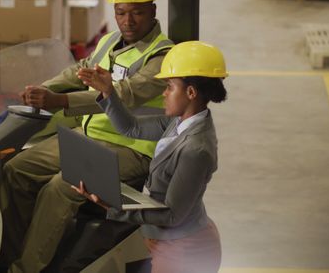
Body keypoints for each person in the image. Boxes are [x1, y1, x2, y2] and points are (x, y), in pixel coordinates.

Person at [0, 0, 174, 273]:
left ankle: (25, 269)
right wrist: (46, 89)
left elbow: (123, 94)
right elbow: (81, 70)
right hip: (90, 138)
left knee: (61, 187)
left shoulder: (162, 57)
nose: (128, 21)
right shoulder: (109, 41)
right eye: (121, 12)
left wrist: (60, 102)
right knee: (15, 170)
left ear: (153, 11)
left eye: (137, 13)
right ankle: (8, 257)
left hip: (132, 149)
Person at [74, 41, 227, 273]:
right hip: (166, 240)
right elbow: (131, 128)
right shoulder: (179, 122)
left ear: (191, 92)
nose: (164, 93)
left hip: (184, 249)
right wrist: (108, 91)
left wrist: (113, 205)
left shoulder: (196, 149)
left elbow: (172, 214)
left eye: (169, 87)